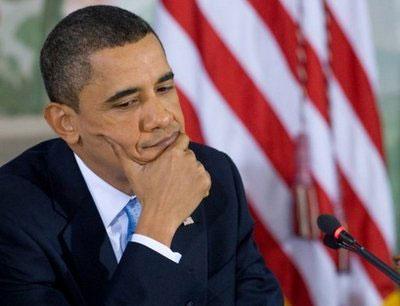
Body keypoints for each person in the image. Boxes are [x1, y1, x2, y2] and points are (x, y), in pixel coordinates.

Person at [0, 5, 283, 306]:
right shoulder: (12, 215)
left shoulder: (213, 173)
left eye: (164, 88)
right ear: (66, 123)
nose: (161, 118)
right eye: (127, 103)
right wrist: (157, 225)